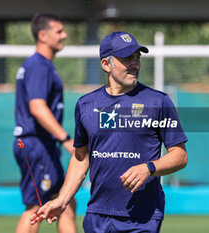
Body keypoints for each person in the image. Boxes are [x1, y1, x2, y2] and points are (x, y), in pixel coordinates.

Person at [30, 31, 188, 233]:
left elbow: (180, 156)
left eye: (137, 58)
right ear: (106, 64)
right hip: (98, 216)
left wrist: (149, 168)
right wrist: (62, 199)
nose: (135, 64)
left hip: (143, 217)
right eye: (127, 59)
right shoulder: (86, 105)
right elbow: (81, 158)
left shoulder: (159, 102)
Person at [13, 13, 77, 233]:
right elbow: (37, 108)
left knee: (65, 203)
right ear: (42, 35)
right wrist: (66, 139)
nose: (64, 35)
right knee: (35, 208)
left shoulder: (41, 65)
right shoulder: (39, 65)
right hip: (36, 144)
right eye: (59, 31)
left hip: (43, 145)